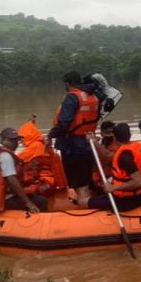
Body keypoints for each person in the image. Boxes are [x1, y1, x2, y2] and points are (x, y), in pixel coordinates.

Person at [48, 71, 102, 207]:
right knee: (85, 180)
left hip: (72, 146)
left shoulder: (72, 97)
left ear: (68, 83)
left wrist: (50, 136)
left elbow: (64, 123)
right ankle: (87, 201)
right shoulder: (94, 96)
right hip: (87, 143)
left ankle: (85, 211)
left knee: (80, 184)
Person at [87, 122, 141, 211]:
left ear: (114, 138)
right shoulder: (137, 147)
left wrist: (113, 187)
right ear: (130, 135)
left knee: (83, 202)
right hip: (137, 195)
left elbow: (138, 182)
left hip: (124, 200)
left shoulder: (123, 156)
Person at [17, 115, 64, 198]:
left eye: (21, 139)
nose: (21, 142)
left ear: (27, 136)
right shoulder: (41, 144)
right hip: (49, 181)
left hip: (45, 181)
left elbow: (16, 159)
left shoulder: (35, 147)